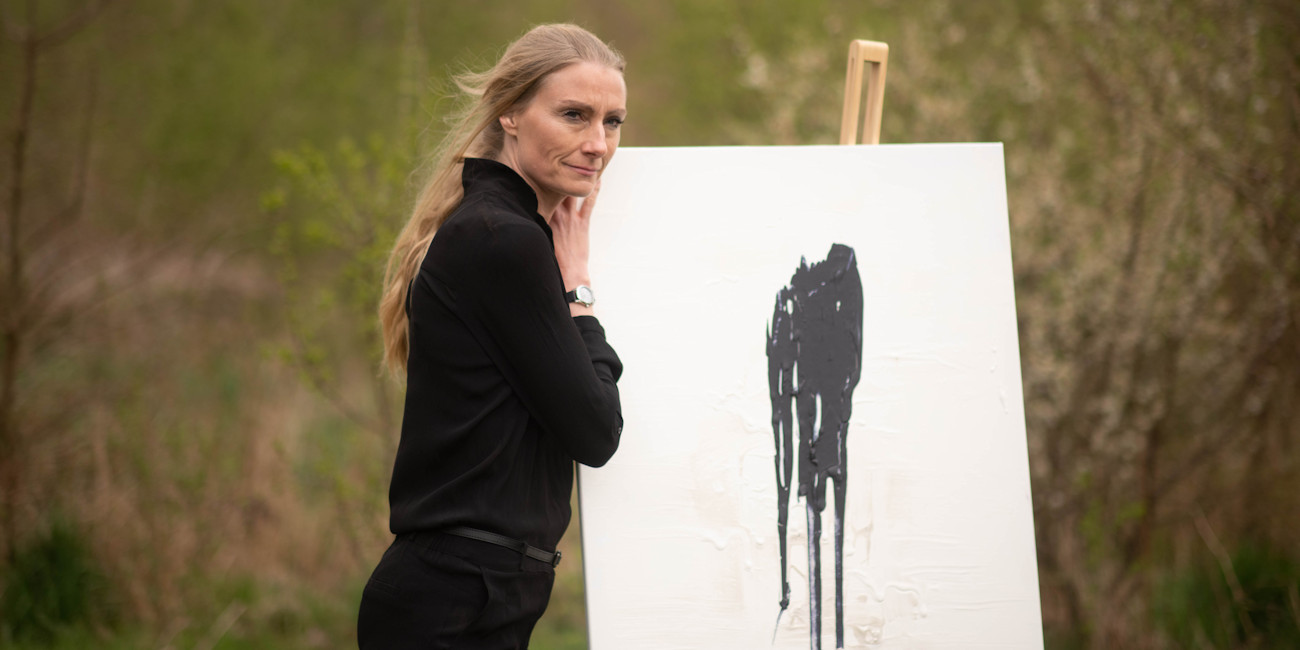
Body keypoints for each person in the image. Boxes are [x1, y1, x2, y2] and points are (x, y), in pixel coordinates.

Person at [357, 24, 627, 649]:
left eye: (612, 122)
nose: (597, 144)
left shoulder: (497, 227)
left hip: (477, 594)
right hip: (453, 600)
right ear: (509, 112)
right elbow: (595, 430)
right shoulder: (504, 239)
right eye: (573, 115)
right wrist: (579, 289)